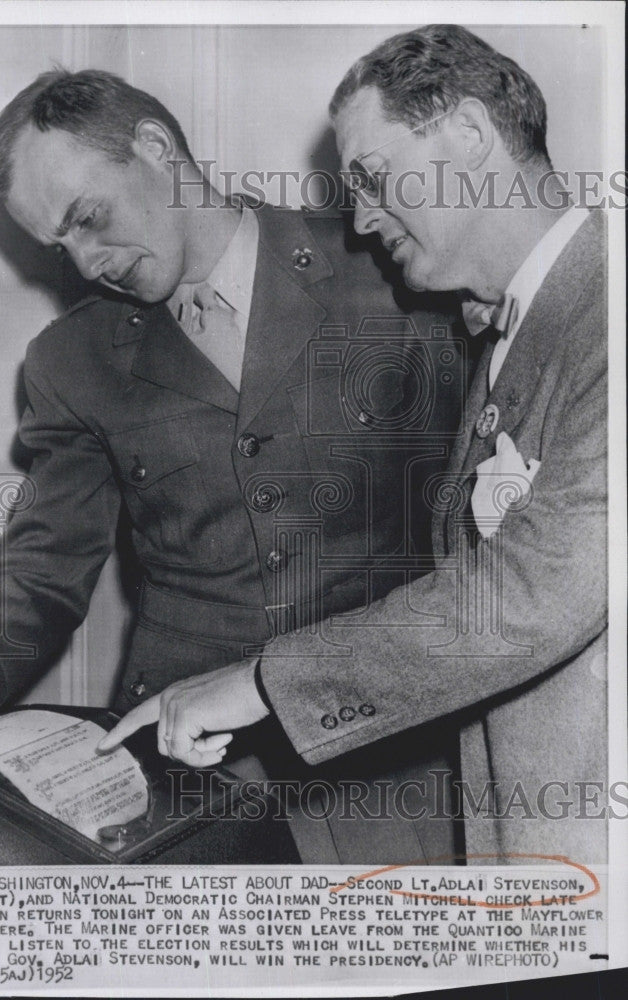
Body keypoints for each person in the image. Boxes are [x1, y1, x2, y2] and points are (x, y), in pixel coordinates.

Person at [0, 69, 465, 863]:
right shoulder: (70, 360)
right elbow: (43, 558)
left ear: (157, 148)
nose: (86, 261)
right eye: (60, 245)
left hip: (384, 745)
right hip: (178, 761)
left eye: (89, 219)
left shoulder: (385, 270)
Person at [101, 25, 609, 863]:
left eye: (373, 177)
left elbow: (533, 593)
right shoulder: (503, 331)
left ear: (472, 136)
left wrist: (260, 683)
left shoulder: (605, 311)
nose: (364, 218)